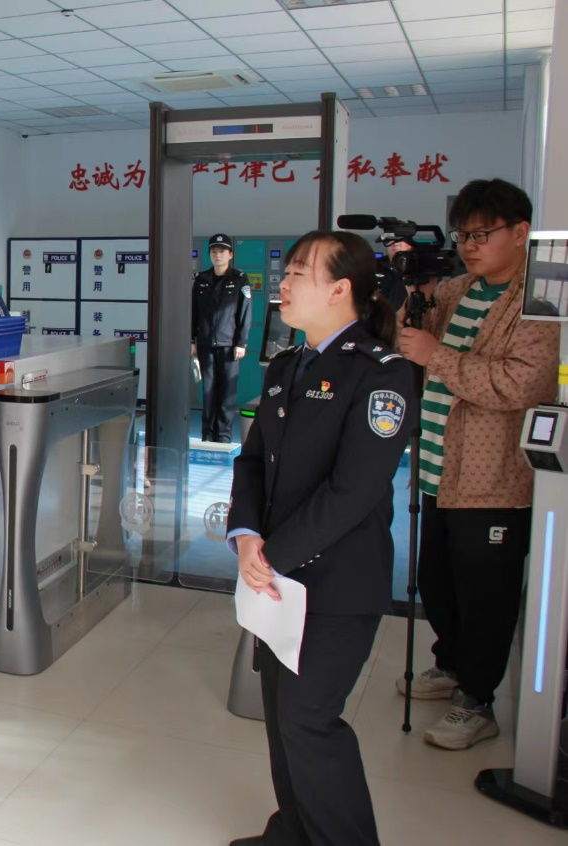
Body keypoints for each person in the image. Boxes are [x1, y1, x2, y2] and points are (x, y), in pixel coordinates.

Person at [227, 230, 416, 846]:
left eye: (298, 273)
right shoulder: (286, 366)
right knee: (282, 718)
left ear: (340, 290)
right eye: (286, 271)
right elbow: (252, 463)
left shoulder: (381, 375)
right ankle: (294, 832)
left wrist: (273, 556)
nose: (282, 283)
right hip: (277, 579)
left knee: (309, 719)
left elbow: (353, 491)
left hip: (337, 582)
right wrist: (247, 536)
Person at [396, 178, 559, 750]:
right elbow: (407, 338)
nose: (469, 245)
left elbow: (523, 383)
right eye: (463, 234)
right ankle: (452, 663)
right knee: (438, 581)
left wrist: (436, 355)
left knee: (485, 593)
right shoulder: (457, 289)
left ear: (520, 232)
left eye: (482, 234)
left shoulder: (539, 301)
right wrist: (411, 299)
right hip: (438, 469)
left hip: (493, 480)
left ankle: (478, 700)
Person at [192, 233, 251, 443]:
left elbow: (245, 313)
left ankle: (224, 435)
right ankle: (207, 434)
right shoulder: (201, 279)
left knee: (227, 392)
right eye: (214, 252)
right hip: (206, 343)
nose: (218, 255)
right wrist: (191, 341)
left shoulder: (239, 278)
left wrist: (241, 342)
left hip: (229, 345)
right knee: (208, 391)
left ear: (231, 254)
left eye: (222, 251)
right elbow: (194, 312)